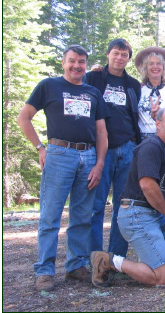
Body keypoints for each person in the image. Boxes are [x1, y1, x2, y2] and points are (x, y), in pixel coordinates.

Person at [17, 45, 109, 291]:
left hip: (88, 156)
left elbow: (101, 131)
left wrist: (99, 164)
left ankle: (75, 266)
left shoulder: (92, 92)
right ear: (63, 62)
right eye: (72, 61)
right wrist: (40, 148)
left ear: (86, 65)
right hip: (59, 154)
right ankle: (45, 271)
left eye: (81, 62)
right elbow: (23, 117)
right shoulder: (49, 86)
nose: (76, 66)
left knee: (82, 216)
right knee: (50, 216)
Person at [90, 108, 165, 287]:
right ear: (158, 124)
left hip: (154, 214)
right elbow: (147, 185)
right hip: (136, 214)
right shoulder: (151, 146)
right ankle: (108, 261)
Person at [85, 38, 142, 258]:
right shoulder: (94, 77)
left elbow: (136, 114)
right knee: (96, 205)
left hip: (127, 148)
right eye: (116, 53)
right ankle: (95, 257)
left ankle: (116, 258)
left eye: (124, 55)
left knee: (123, 207)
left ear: (128, 58)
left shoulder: (133, 84)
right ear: (108, 54)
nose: (119, 58)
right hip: (101, 150)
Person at [135, 46, 165, 141]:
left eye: (159, 64)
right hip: (142, 139)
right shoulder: (138, 91)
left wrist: (159, 117)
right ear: (146, 68)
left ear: (163, 68)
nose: (155, 67)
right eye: (151, 64)